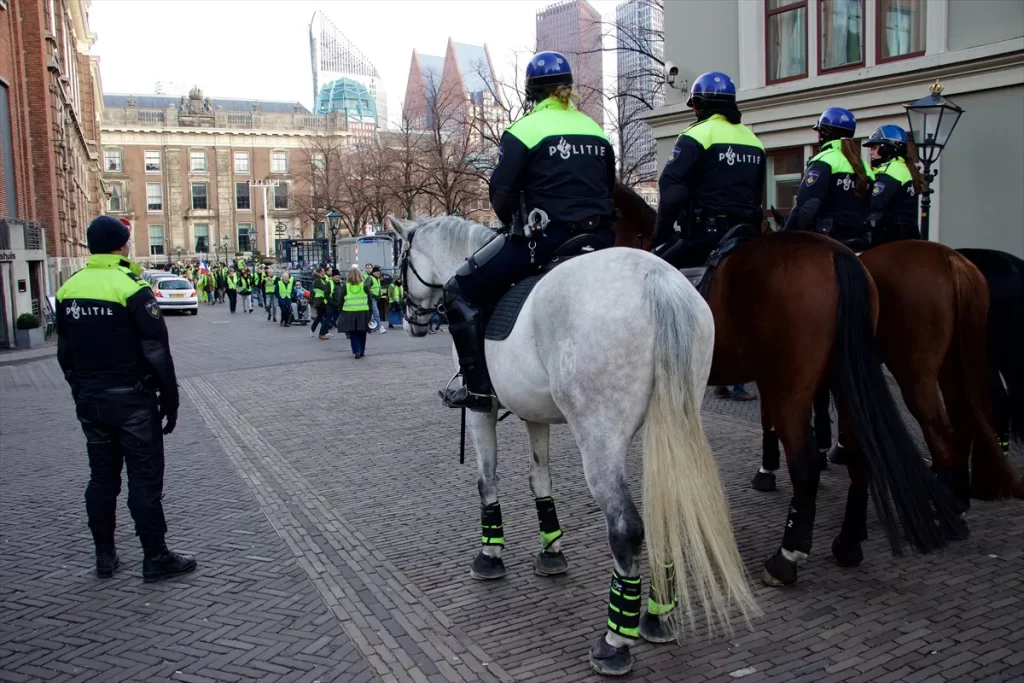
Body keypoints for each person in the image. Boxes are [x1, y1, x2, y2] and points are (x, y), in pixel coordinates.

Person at [441, 51, 616, 412]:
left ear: (531, 93)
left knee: (457, 290)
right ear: (568, 88)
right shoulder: (597, 130)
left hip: (546, 240)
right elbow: (609, 187)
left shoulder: (523, 130)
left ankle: (478, 389)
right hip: (599, 241)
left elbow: (501, 195)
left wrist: (514, 223)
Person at [55, 215, 196, 582]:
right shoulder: (131, 288)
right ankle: (155, 556)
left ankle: (105, 557)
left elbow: (65, 353)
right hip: (132, 401)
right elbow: (156, 351)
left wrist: (80, 391)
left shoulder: (68, 288)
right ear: (121, 245)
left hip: (92, 400)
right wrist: (171, 400)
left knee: (101, 479)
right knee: (144, 481)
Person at [650, 71, 766, 268]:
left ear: (700, 105)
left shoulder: (696, 135)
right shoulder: (754, 141)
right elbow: (757, 193)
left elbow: (672, 190)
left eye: (694, 105)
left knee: (653, 274)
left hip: (706, 238)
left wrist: (660, 235)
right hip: (748, 235)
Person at [782, 107, 874, 244]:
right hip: (859, 240)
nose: (818, 137)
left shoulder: (824, 160)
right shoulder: (865, 167)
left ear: (825, 133)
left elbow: (806, 208)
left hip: (828, 240)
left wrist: (784, 237)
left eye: (819, 132)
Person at [863, 124, 926, 245]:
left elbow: (875, 208)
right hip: (909, 236)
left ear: (888, 148)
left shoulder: (889, 171)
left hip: (890, 238)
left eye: (875, 148)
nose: (871, 153)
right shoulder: (905, 169)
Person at [338, 265, 373, 358]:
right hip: (363, 311)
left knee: (353, 333)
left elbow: (340, 299)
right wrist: (371, 312)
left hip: (349, 312)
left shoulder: (345, 285)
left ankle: (356, 351)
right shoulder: (364, 285)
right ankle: (362, 350)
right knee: (362, 331)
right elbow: (370, 299)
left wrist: (340, 310)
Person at [310, 266, 329, 339]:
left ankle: (324, 331)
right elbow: (325, 288)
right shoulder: (318, 280)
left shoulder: (321, 279)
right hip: (319, 301)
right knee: (320, 317)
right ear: (320, 272)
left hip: (321, 300)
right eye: (323, 271)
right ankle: (314, 330)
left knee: (322, 316)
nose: (324, 272)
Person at [364, 266, 385, 333]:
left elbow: (378, 288)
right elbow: (366, 288)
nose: (379, 273)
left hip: (375, 298)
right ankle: (379, 327)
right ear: (375, 272)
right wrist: (374, 295)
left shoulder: (377, 279)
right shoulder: (371, 278)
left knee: (370, 313)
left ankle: (370, 327)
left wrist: (379, 294)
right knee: (376, 312)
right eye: (378, 271)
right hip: (371, 298)